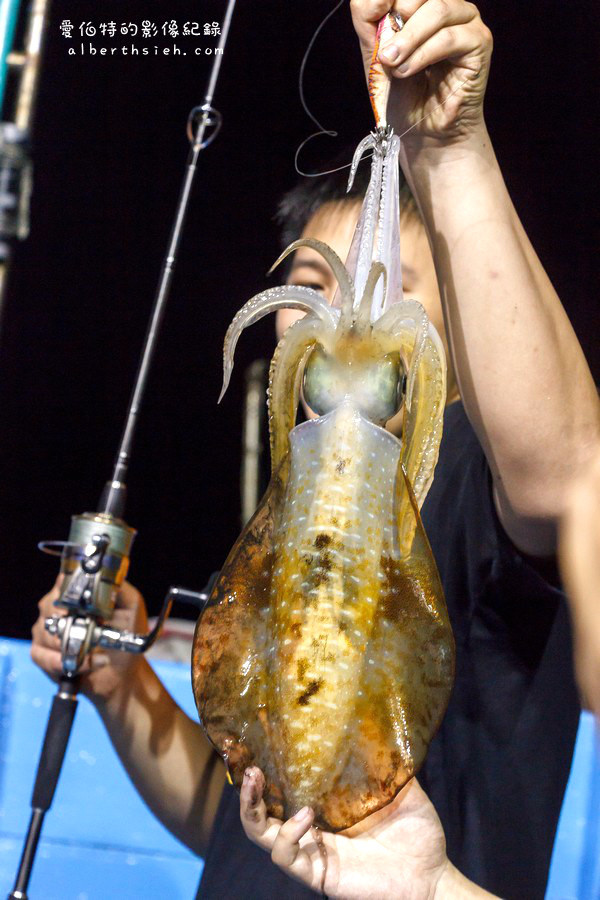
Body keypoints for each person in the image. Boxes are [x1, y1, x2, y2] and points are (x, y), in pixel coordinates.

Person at [31, 0, 600, 897]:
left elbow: (564, 471)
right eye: (306, 284)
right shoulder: (284, 531)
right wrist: (119, 684)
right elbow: (243, 822)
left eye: (393, 290)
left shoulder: (477, 488)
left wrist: (447, 150)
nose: (337, 318)